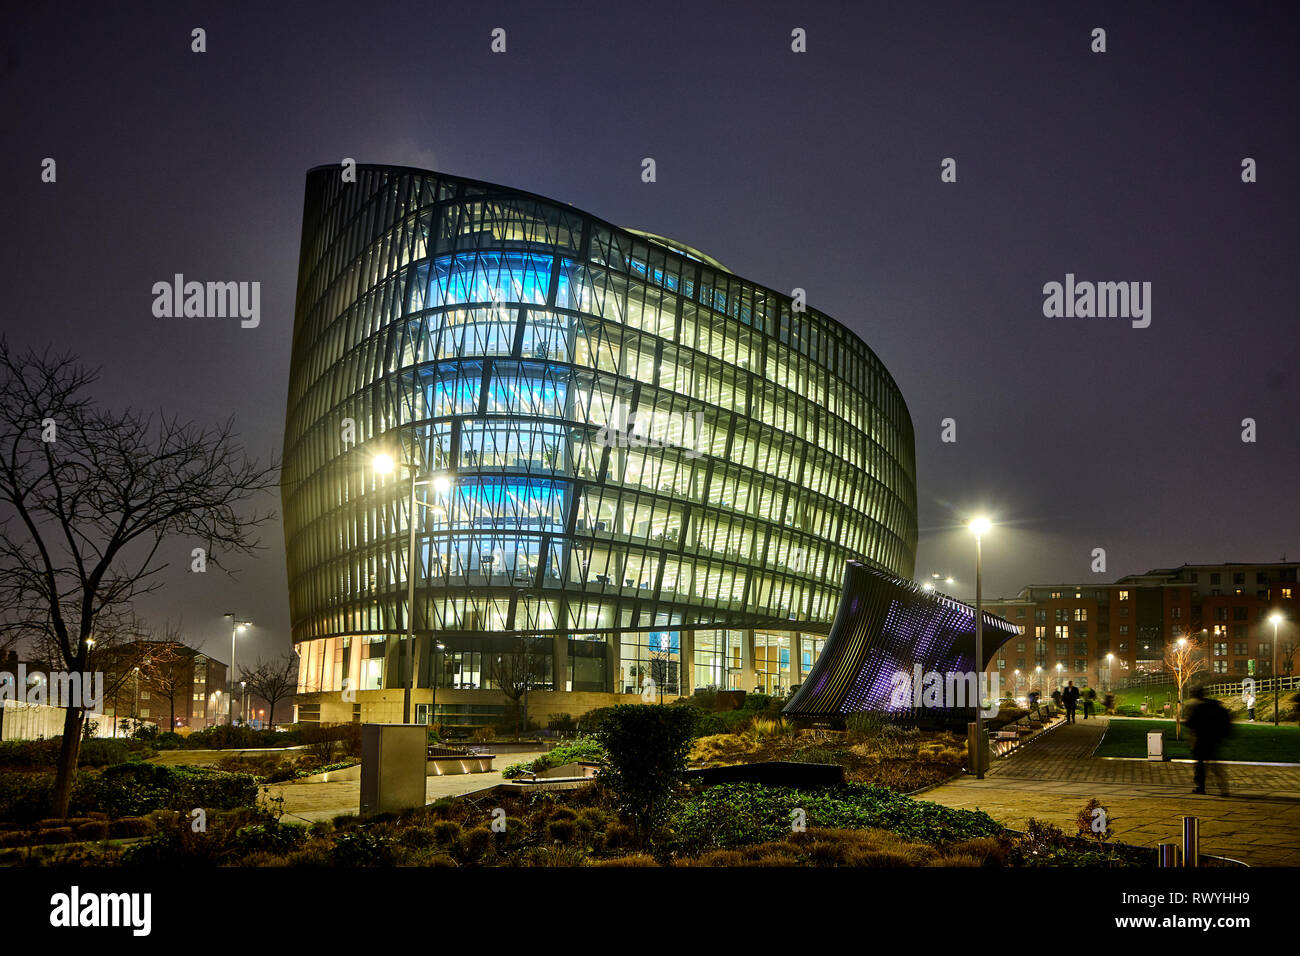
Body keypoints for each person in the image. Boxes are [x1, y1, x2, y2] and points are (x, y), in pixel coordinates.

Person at [1184, 686, 1232, 796]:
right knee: (1215, 765)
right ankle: (1223, 787)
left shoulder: (1199, 708)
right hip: (1214, 739)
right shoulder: (1214, 705)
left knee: (1200, 764)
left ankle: (1201, 787)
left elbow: (1190, 723)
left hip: (1201, 739)